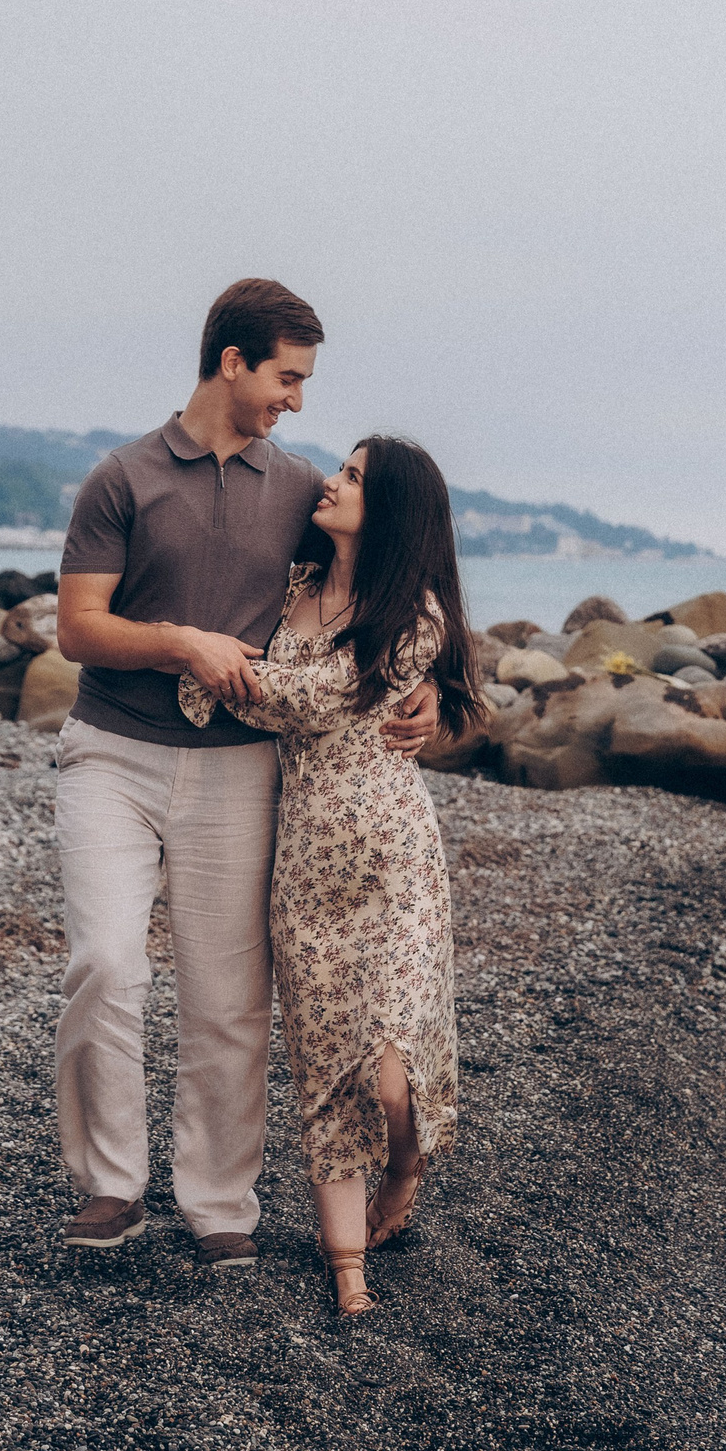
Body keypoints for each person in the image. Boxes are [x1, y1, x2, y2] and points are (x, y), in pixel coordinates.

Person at [48, 279, 440, 1270]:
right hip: (112, 754)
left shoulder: (299, 491)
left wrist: (439, 698)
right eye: (286, 377)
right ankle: (110, 1186)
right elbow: (76, 628)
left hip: (235, 772)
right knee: (105, 962)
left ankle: (218, 1199)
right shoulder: (121, 479)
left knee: (229, 1000)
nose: (296, 401)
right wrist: (182, 642)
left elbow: (387, 584)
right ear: (233, 363)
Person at [176, 435, 484, 1316]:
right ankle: (346, 1262)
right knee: (323, 1064)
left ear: (388, 509)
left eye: (352, 477)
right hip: (304, 865)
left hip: (392, 861)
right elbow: (262, 668)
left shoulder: (415, 615)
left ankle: (408, 1160)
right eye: (341, 470)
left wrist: (210, 672)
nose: (333, 482)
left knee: (388, 1069)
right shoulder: (296, 593)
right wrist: (203, 652)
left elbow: (313, 700)